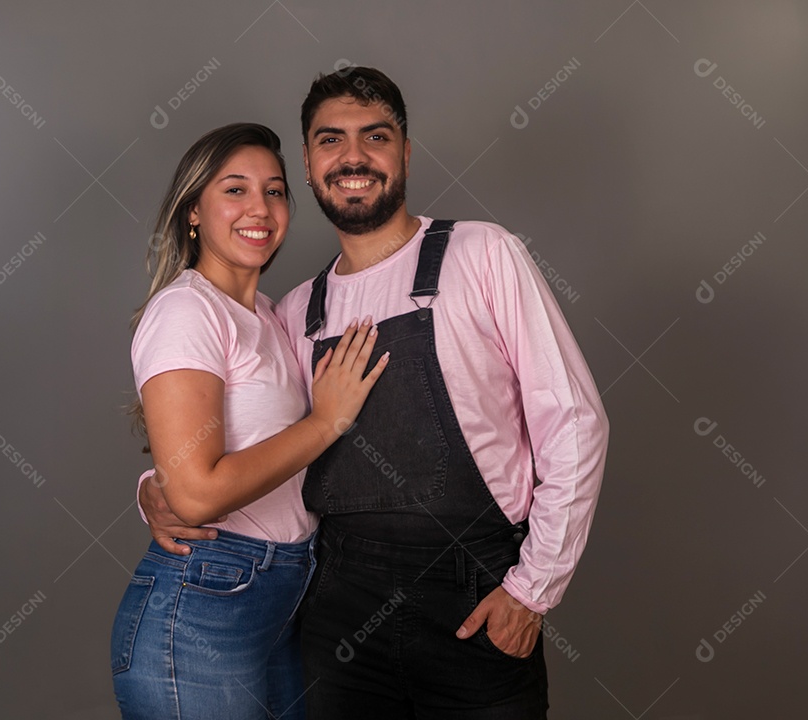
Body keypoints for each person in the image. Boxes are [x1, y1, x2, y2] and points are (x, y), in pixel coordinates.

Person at [138, 68, 610, 718]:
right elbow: (245, 431)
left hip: (474, 599)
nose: (353, 156)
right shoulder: (296, 312)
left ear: (404, 153)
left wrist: (533, 590)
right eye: (331, 140)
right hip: (335, 614)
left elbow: (576, 424)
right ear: (308, 163)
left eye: (375, 136)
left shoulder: (482, 255)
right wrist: (156, 488)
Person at [110, 122, 388, 720]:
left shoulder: (270, 314)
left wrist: (151, 490)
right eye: (234, 190)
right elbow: (196, 493)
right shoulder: (187, 309)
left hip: (284, 596)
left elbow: (210, 464)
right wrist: (325, 422)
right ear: (193, 212)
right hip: (206, 608)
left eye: (275, 190)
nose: (259, 208)